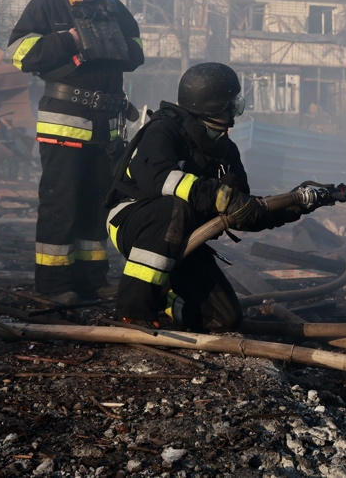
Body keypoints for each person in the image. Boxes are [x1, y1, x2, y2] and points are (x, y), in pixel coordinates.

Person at [105, 62, 304, 329]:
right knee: (175, 208)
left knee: (224, 318)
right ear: (212, 107)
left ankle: (164, 299)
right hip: (135, 221)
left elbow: (243, 212)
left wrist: (294, 205)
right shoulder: (163, 131)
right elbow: (158, 179)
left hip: (185, 236)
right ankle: (134, 310)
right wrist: (221, 197)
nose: (235, 110)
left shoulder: (226, 150)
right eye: (231, 104)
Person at [8, 0, 144, 304]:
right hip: (64, 123)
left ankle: (92, 280)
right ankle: (54, 285)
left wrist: (113, 42)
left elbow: (137, 51)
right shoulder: (48, 3)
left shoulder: (113, 6)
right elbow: (19, 54)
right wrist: (70, 40)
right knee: (61, 204)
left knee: (96, 205)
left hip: (106, 128)